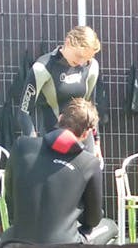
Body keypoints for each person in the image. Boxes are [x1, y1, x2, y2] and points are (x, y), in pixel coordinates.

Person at [1, 98, 118, 245]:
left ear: (60, 118)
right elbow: (93, 220)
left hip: (18, 239)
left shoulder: (21, 146)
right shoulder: (89, 163)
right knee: (111, 226)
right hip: (65, 246)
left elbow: (9, 195)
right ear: (87, 133)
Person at [18, 25, 103, 162]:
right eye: (79, 56)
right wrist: (32, 144)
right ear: (68, 42)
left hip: (84, 142)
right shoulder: (42, 67)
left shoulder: (92, 66)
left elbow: (90, 108)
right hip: (54, 140)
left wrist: (97, 141)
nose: (81, 62)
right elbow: (24, 111)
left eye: (86, 59)